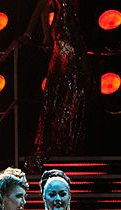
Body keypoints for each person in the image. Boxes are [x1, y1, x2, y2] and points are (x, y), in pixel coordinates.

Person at [25, 0, 91, 173]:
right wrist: (36, 33)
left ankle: (69, 140)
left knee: (74, 87)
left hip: (72, 36)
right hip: (63, 37)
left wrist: (46, 33)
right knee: (66, 86)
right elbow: (40, 7)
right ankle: (62, 141)